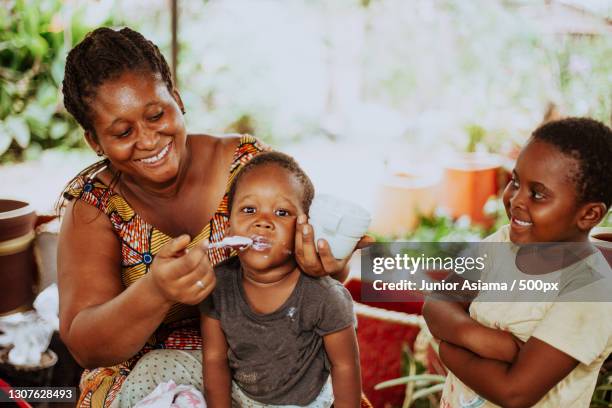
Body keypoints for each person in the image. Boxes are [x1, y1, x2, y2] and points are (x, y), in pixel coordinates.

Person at [57, 27, 368, 408]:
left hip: (266, 358)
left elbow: (321, 278)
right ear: (94, 141)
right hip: (144, 375)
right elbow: (84, 346)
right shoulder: (94, 207)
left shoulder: (250, 167)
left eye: (156, 115)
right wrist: (156, 291)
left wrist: (325, 264)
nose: (149, 140)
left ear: (176, 98)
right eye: (122, 132)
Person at [423, 117, 612, 408]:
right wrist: (478, 338)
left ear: (588, 215)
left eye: (537, 193)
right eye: (515, 181)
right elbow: (438, 303)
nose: (515, 200)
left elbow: (515, 393)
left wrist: (449, 348)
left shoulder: (589, 293)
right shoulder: (502, 242)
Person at [200, 152, 361, 408]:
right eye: (249, 209)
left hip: (301, 402)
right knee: (154, 366)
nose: (263, 222)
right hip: (239, 392)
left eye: (282, 212)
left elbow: (345, 368)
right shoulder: (218, 283)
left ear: (304, 229)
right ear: (228, 226)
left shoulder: (324, 296)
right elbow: (214, 358)